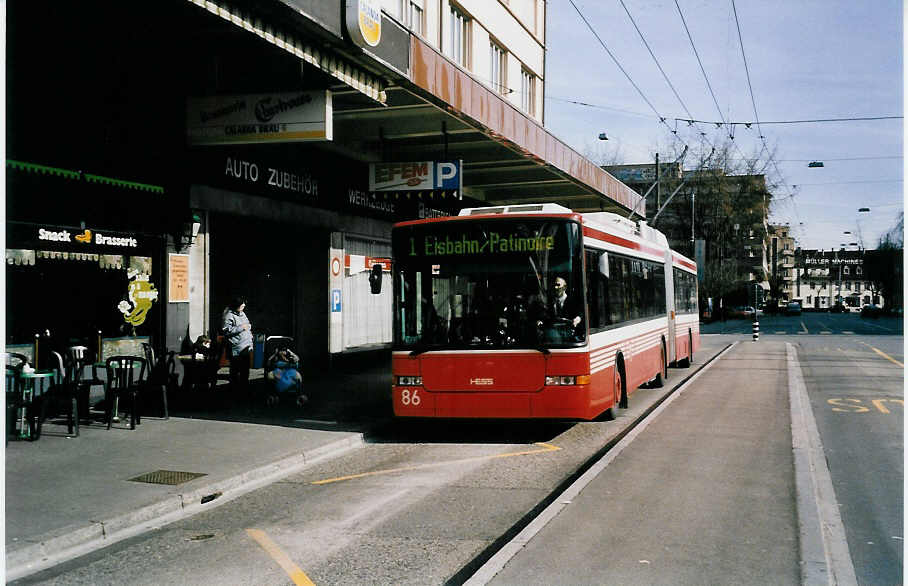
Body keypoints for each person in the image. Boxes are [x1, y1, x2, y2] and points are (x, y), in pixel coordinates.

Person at [222, 296, 253, 401]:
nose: (244, 305)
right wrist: (241, 328)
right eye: (242, 304)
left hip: (246, 346)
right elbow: (226, 331)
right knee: (235, 371)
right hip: (236, 348)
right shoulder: (229, 315)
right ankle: (234, 392)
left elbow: (247, 324)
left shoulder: (242, 313)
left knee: (245, 371)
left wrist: (249, 329)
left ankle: (244, 391)